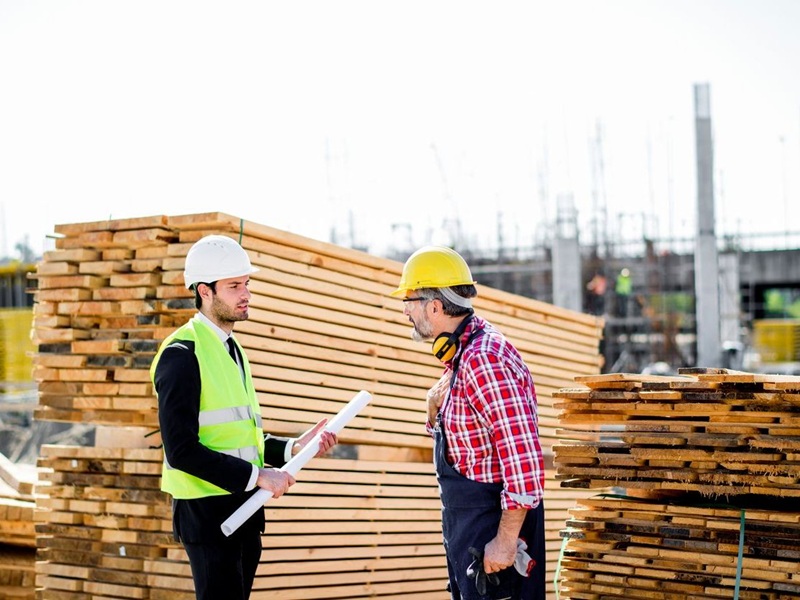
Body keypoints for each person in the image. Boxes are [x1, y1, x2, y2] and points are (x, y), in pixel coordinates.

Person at [151, 234, 337, 600]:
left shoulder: (232, 349)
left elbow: (241, 436)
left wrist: (292, 448)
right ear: (205, 291)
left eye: (247, 284)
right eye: (234, 286)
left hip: (245, 507)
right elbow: (181, 450)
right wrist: (258, 476)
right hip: (207, 514)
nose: (246, 293)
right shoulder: (181, 354)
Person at [391, 245, 546, 600]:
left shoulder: (483, 360)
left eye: (409, 301)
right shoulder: (462, 354)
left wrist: (506, 542)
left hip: (494, 539)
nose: (405, 311)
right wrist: (435, 412)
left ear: (433, 305)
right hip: (471, 532)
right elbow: (471, 441)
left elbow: (523, 462)